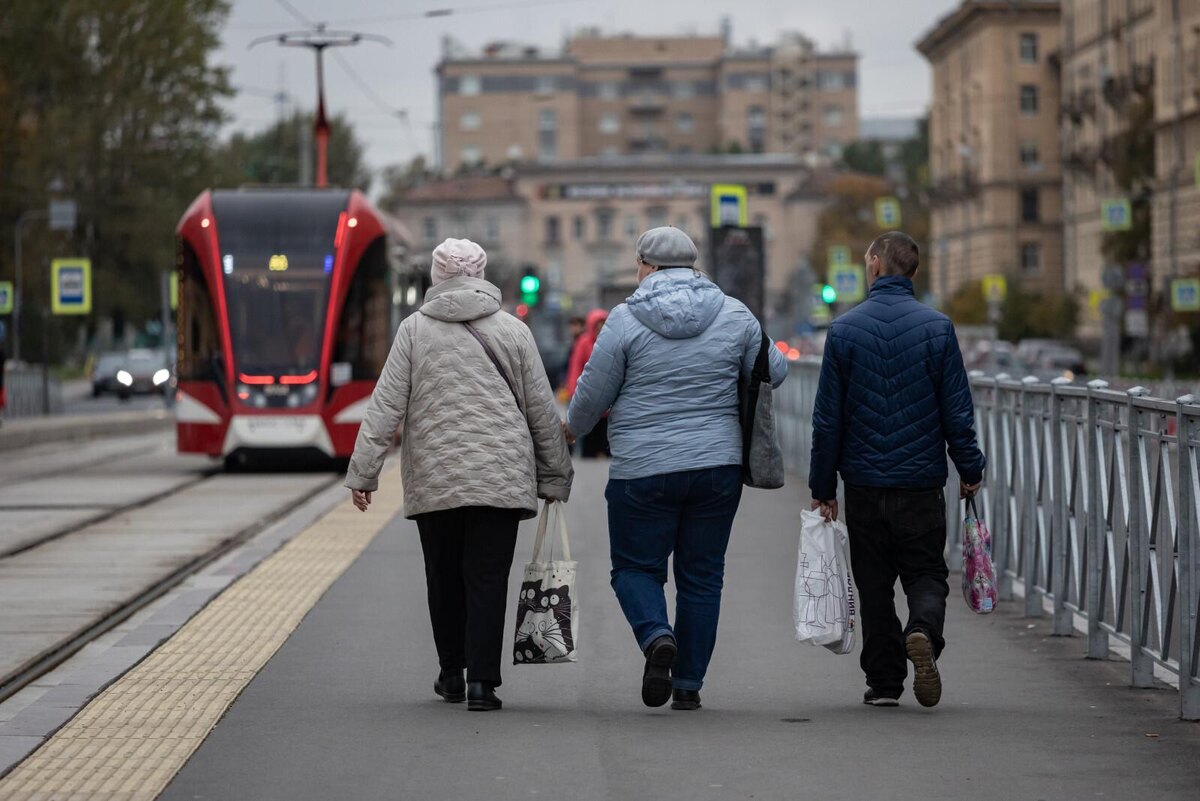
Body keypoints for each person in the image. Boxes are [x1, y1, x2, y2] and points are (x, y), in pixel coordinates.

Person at [345, 238, 573, 712]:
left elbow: (385, 405)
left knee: (443, 575)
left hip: (435, 475)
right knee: (488, 578)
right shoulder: (513, 330)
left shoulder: (413, 331)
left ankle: (452, 673)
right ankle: (482, 685)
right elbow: (540, 410)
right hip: (500, 478)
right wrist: (555, 476)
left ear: (437, 277)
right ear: (482, 275)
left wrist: (364, 473)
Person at [565, 227, 787, 711]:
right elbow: (776, 370)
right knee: (702, 577)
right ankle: (687, 685)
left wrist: (570, 431)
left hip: (642, 469)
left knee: (634, 568)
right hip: (717, 465)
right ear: (693, 265)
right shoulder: (734, 313)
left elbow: (592, 394)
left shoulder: (624, 320)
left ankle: (656, 636)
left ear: (646, 266)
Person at [808, 231, 985, 709]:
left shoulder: (844, 330)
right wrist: (970, 468)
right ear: (913, 270)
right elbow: (957, 411)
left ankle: (885, 683)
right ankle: (922, 631)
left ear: (874, 265)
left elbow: (828, 420)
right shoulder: (938, 328)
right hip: (921, 483)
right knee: (926, 573)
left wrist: (823, 486)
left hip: (864, 484)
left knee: (874, 585)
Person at [565, 309, 610, 457]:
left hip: (608, 400)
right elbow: (576, 367)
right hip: (589, 398)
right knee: (588, 443)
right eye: (597, 326)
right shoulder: (584, 342)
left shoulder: (612, 341)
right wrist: (574, 392)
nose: (600, 329)